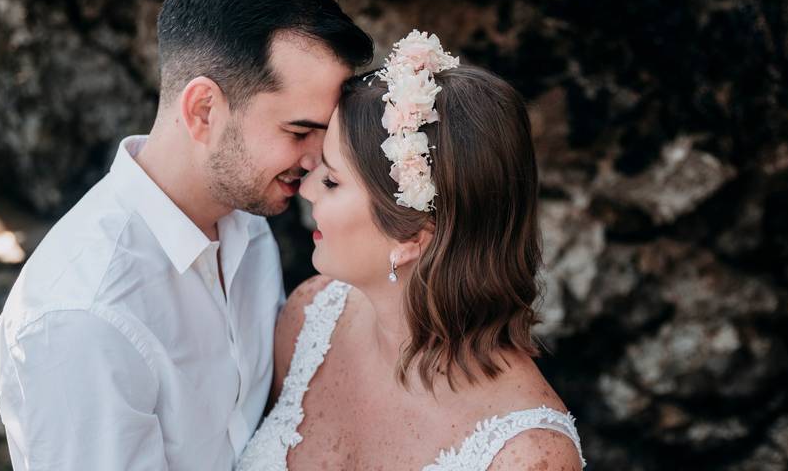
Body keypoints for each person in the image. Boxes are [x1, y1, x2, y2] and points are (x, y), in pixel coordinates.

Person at [0, 0, 373, 471]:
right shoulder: (82, 318)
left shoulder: (249, 222)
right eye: (299, 130)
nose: (315, 162)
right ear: (203, 110)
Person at [238, 31, 586, 470]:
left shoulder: (526, 456)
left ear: (412, 237)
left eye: (331, 180)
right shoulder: (309, 317)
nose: (305, 189)